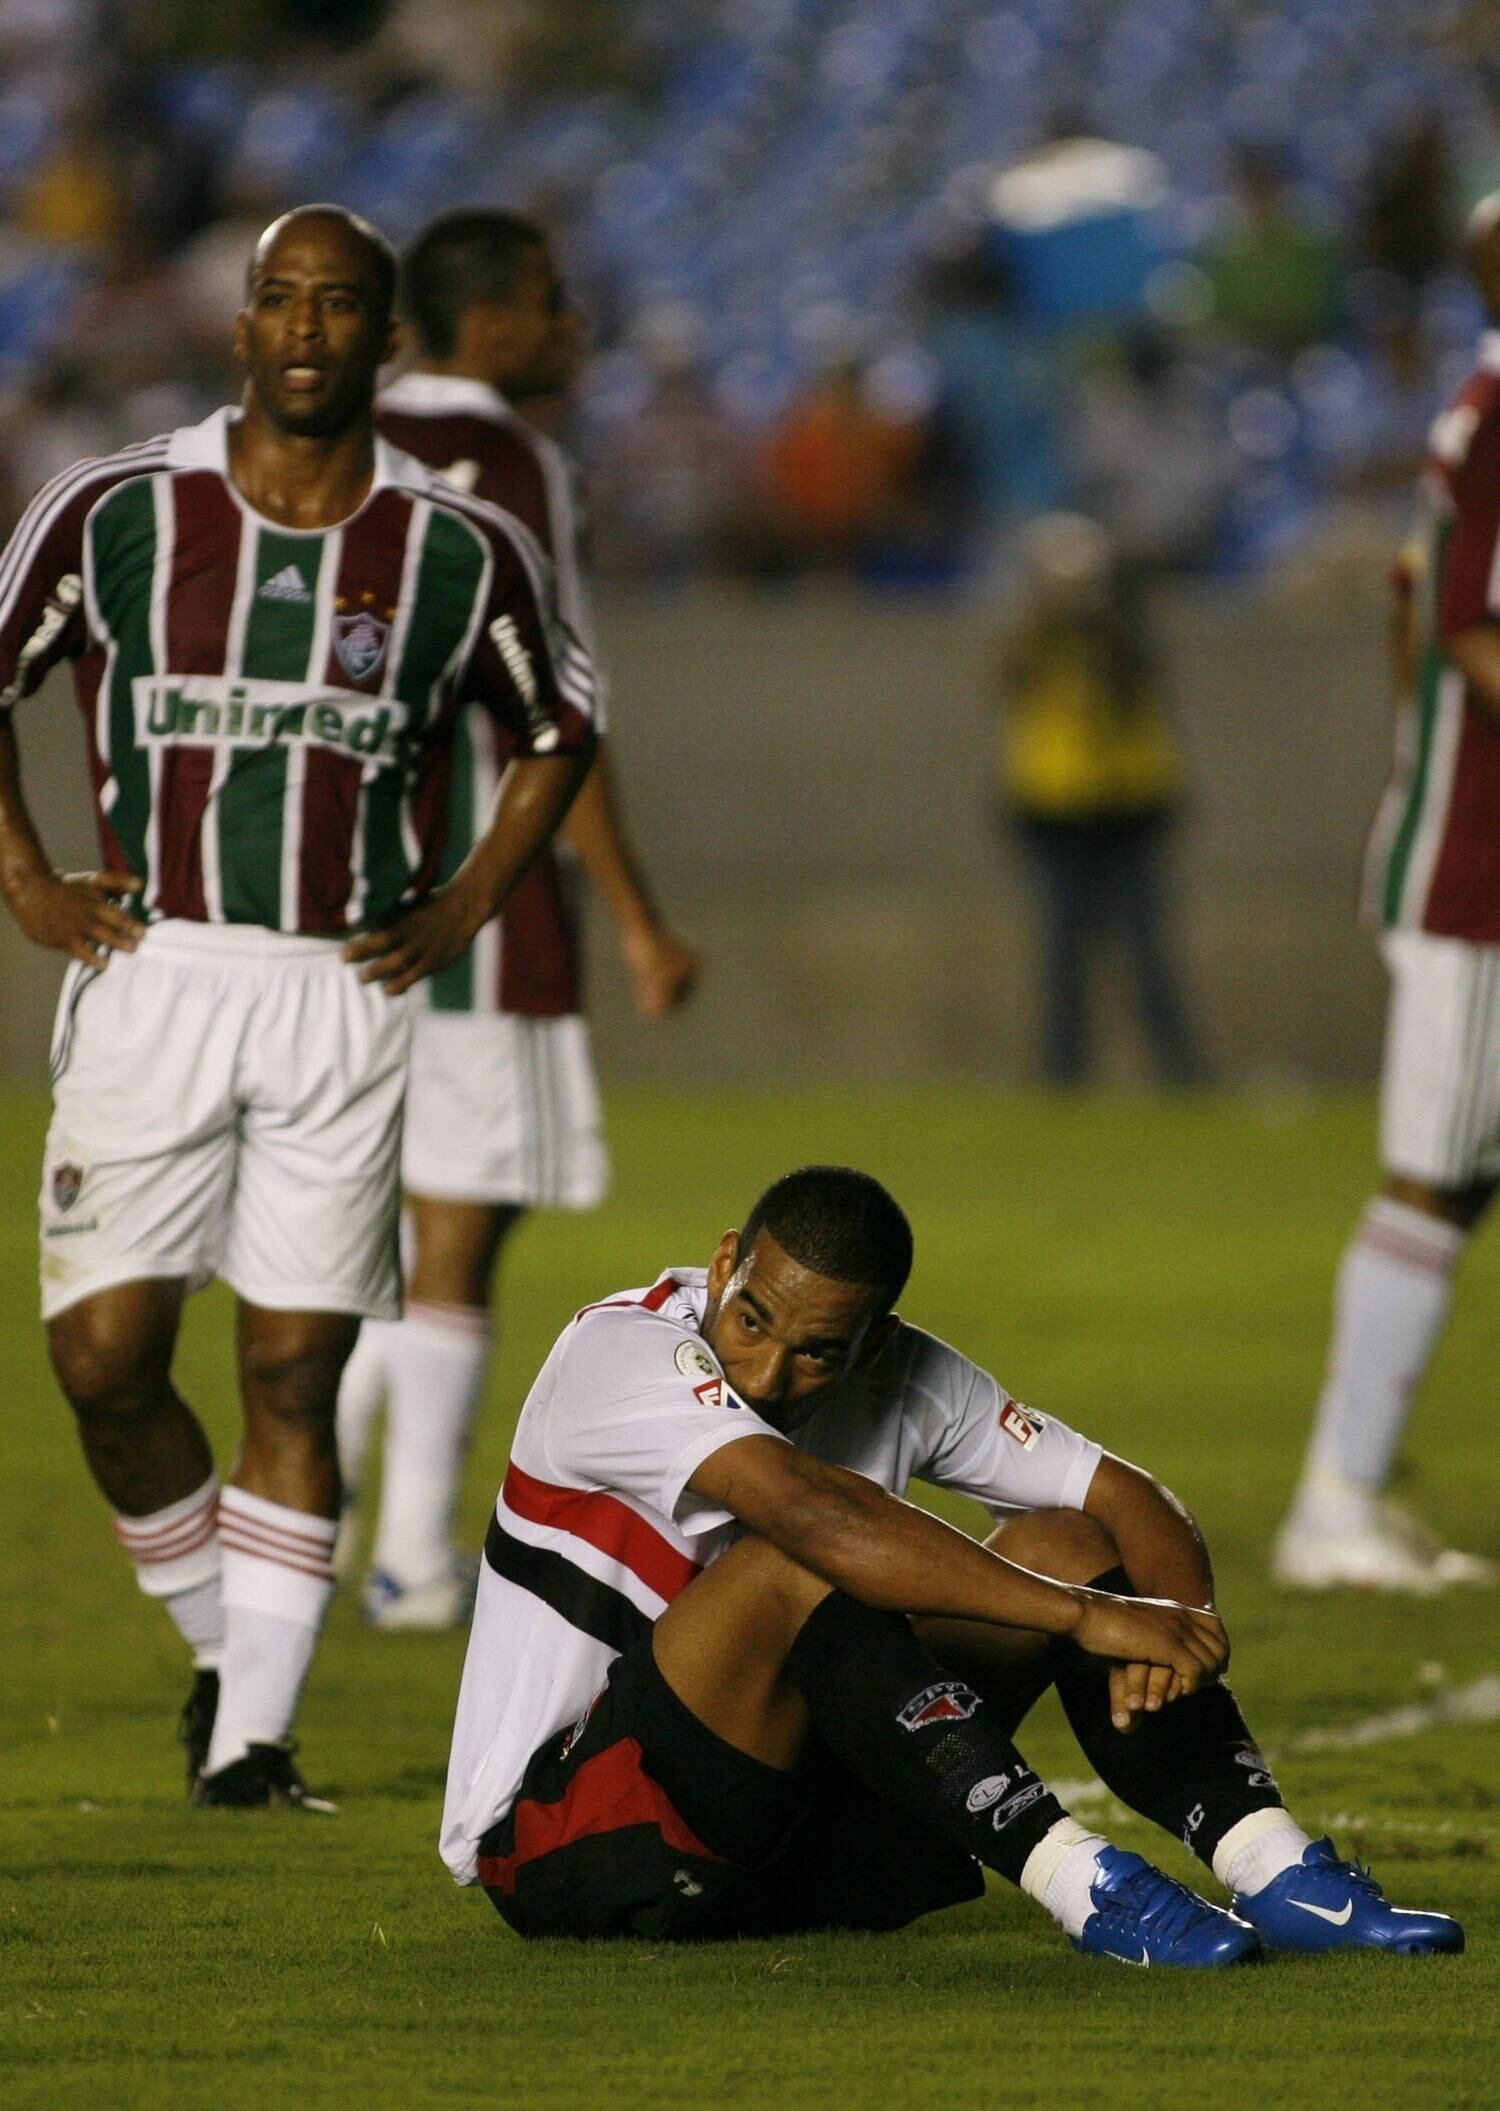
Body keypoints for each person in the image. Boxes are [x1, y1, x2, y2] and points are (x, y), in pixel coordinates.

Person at [0, 204, 597, 1809]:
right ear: (243, 328)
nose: (310, 328)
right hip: (155, 969)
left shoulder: (455, 549)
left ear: (387, 340)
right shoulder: (116, 507)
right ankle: (217, 1641)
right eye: (282, 301)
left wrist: (467, 899)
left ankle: (255, 1741)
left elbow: (558, 727)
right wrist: (32, 883)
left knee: (292, 1370)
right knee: (105, 1361)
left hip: (342, 989)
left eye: (343, 304)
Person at [442, 1164, 1462, 1960]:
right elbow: (810, 1510)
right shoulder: (618, 1352)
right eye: (751, 1319)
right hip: (569, 1844)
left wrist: (1175, 1622)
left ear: (871, 1341)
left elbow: (1124, 1494)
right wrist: (1083, 1617)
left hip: (797, 1845)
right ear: (723, 1265)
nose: (764, 1369)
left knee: (1068, 1540)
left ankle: (1274, 1864)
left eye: (815, 1351)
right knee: (790, 1561)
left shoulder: (905, 1370)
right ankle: (1084, 1883)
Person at [335, 207, 701, 1629]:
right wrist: (636, 915)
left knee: (360, 1222)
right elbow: (556, 714)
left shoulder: (339, 435)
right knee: (456, 1233)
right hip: (474, 898)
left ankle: (322, 1503)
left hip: (327, 893)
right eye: (555, 302)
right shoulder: (508, 463)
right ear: (491, 324)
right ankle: (413, 1548)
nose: (577, 326)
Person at [1273, 198, 1500, 1594]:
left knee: (1463, 1174)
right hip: (1482, 870)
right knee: (1433, 1172)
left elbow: (1416, 610)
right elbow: (1467, 624)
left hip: (1464, 833)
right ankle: (1333, 1503)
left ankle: (1348, 1491)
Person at [994, 513, 1204, 1086]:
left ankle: (1180, 1072)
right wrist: (1044, 621)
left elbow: (1135, 686)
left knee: (1148, 951)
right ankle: (1064, 1075)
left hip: (1128, 807)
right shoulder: (1032, 635)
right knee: (1061, 954)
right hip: (1053, 807)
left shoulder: (1126, 632)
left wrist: (1110, 625)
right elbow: (1007, 679)